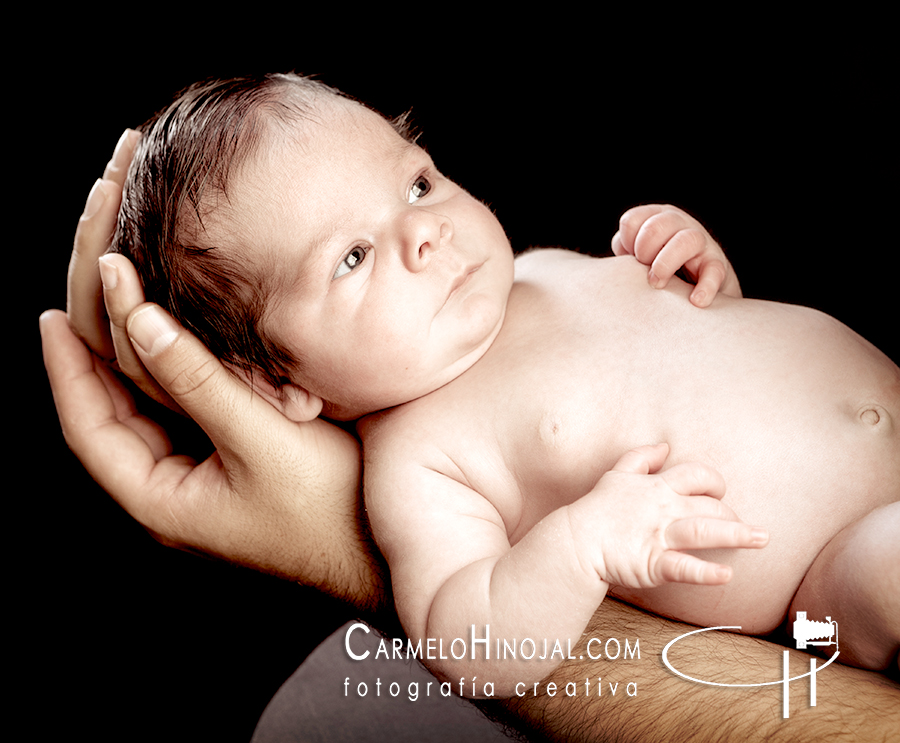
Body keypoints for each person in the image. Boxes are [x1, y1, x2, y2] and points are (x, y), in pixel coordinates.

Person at [45, 119, 900, 743]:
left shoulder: (539, 274)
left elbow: (714, 373)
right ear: (282, 380)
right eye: (353, 256)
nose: (425, 232)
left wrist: (702, 268)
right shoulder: (419, 456)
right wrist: (582, 544)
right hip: (843, 562)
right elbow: (469, 641)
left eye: (416, 182)